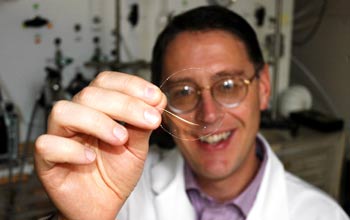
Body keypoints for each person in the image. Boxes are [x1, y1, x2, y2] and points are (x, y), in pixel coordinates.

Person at [35, 6, 349, 220]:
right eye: (183, 92)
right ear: (161, 107)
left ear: (263, 88)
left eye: (228, 85)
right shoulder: (119, 194)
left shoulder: (322, 215)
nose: (209, 115)